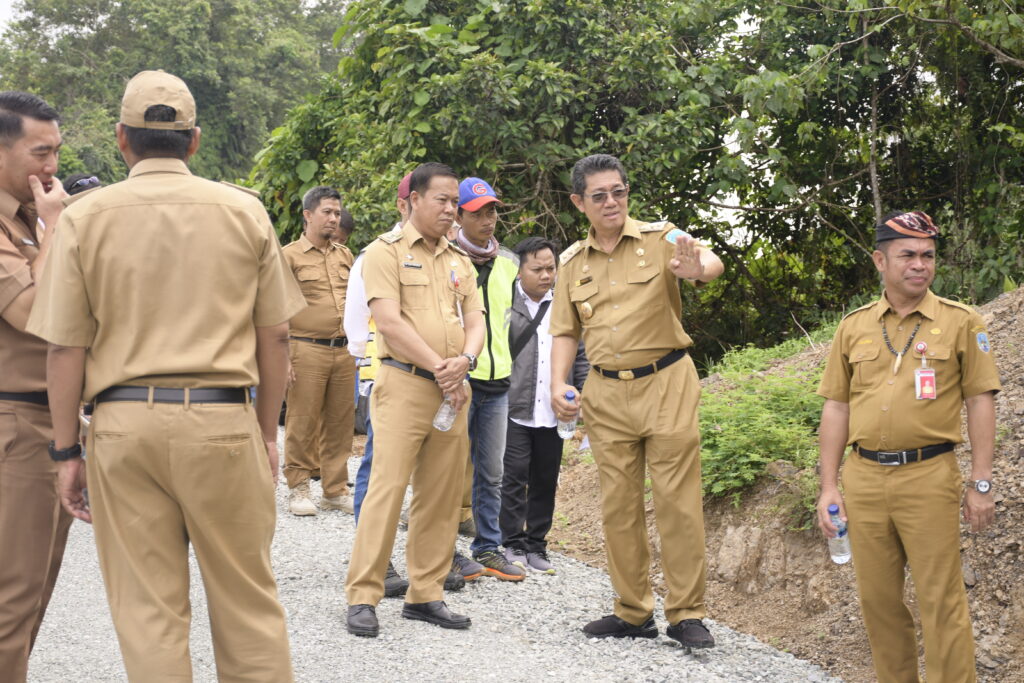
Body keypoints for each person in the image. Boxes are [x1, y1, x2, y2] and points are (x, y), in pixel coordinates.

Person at [26, 70, 301, 680]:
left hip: (124, 427)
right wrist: (266, 434)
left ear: (121, 140)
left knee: (148, 610)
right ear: (194, 141)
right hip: (223, 420)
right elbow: (277, 335)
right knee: (247, 602)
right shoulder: (244, 211)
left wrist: (67, 448)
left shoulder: (84, 217)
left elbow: (64, 349)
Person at [816, 210, 1000, 683]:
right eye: (907, 255)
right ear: (880, 260)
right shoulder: (853, 327)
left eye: (927, 255)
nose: (919, 264)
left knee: (941, 601)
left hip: (929, 476)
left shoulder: (962, 322)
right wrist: (828, 486)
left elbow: (981, 400)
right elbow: (836, 407)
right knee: (878, 602)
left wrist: (981, 481)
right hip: (864, 480)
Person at [549, 153, 724, 646]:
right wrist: (558, 382)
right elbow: (565, 330)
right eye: (599, 195)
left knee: (677, 504)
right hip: (604, 391)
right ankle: (632, 611)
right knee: (618, 507)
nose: (612, 202)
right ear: (579, 202)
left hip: (666, 380)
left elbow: (709, 262)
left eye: (619, 192)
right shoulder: (570, 263)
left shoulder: (661, 236)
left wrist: (696, 269)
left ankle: (686, 613)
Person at [345, 162, 484, 638]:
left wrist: (462, 361)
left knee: (441, 496)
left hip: (452, 390)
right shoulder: (382, 253)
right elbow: (388, 321)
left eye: (455, 202)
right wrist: (440, 366)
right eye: (443, 200)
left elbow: (476, 322)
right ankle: (363, 595)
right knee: (387, 490)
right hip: (404, 382)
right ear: (414, 201)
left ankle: (425, 595)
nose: (452, 209)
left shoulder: (459, 260)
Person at [0, 90, 73, 683]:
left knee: (36, 594)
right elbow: (35, 312)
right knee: (11, 600)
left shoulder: (26, 217)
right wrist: (55, 228)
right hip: (14, 426)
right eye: (39, 152)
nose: (51, 168)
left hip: (50, 425)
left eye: (56, 152)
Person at [450, 176, 525, 582]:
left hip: (497, 384)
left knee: (491, 471)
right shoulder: (446, 259)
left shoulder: (510, 262)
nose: (488, 219)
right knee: (445, 471)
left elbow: (511, 320)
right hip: (458, 382)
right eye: (478, 213)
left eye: (492, 210)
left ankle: (488, 547)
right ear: (459, 215)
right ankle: (443, 550)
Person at [500, 236, 588, 574]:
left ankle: (537, 544)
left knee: (545, 477)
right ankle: (511, 542)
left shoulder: (565, 305)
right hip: (514, 405)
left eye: (550, 268)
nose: (546, 275)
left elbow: (580, 356)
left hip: (554, 410)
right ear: (520, 270)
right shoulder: (507, 302)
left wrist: (580, 393)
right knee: (513, 476)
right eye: (537, 269)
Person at [281, 185, 356, 516]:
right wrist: (282, 356)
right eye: (327, 212)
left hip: (343, 350)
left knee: (341, 423)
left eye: (337, 213)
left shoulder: (345, 255)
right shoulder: (288, 256)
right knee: (302, 419)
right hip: (305, 347)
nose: (333, 218)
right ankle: (298, 488)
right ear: (308, 215)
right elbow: (276, 308)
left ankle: (335, 489)